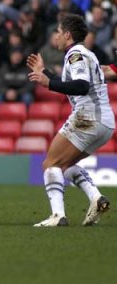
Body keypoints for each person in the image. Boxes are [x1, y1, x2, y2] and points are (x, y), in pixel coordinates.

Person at [26, 13, 115, 227]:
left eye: (58, 32)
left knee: (50, 164)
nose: (55, 36)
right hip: (104, 123)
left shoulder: (75, 54)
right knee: (64, 166)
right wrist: (44, 72)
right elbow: (72, 84)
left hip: (88, 118)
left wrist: (48, 84)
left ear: (67, 34)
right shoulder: (84, 54)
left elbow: (81, 86)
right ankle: (96, 198)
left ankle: (58, 216)